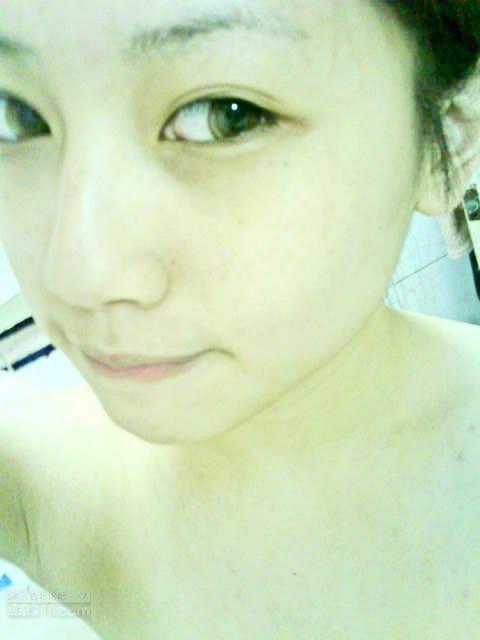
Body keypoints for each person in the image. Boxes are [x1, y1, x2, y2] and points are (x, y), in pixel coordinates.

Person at [0, 0, 479, 637]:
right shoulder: (48, 482)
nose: (79, 278)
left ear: (448, 140)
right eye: (17, 116)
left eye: (226, 117)